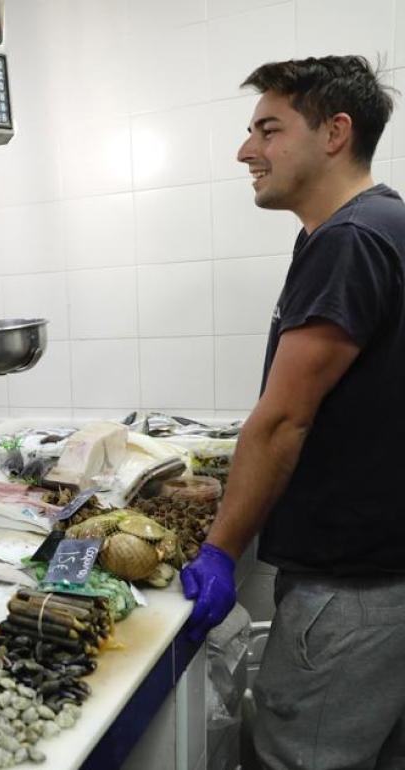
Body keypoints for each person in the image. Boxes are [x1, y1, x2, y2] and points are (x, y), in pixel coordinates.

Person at [180, 56, 405, 769]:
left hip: (351, 593)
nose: (246, 151)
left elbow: (283, 420)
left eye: (268, 130)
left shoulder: (351, 239)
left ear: (335, 132)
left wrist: (218, 551)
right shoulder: (381, 221)